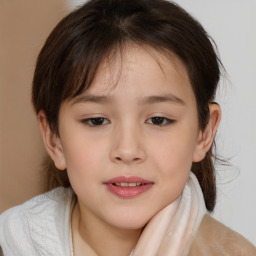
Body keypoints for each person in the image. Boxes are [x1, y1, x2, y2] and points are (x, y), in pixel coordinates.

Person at [0, 0, 255, 255]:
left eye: (158, 120)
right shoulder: (12, 243)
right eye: (97, 120)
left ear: (205, 133)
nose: (128, 149)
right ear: (53, 138)